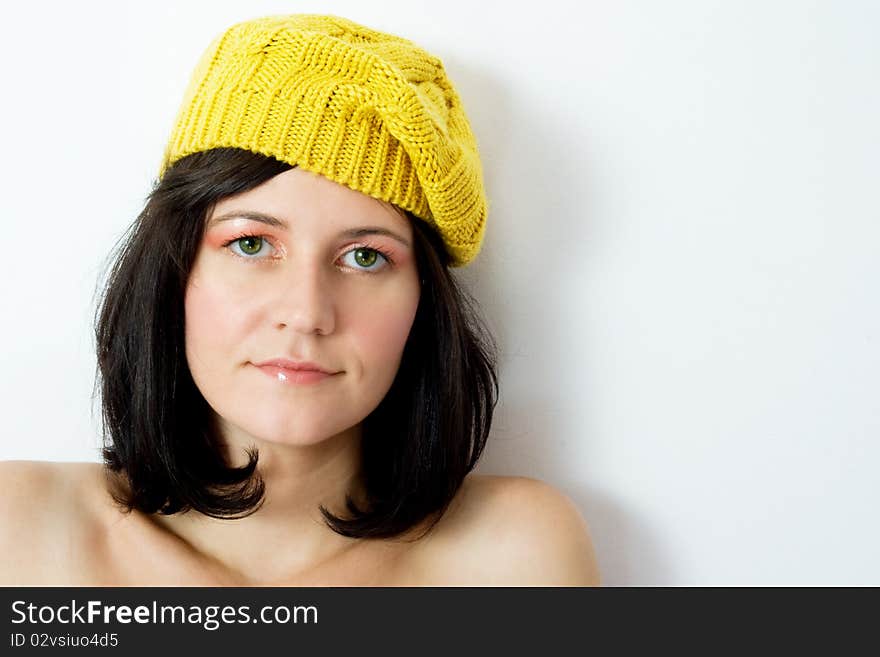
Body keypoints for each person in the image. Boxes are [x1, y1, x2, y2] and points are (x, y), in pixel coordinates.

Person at [0, 14, 599, 586]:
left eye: (365, 256)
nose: (308, 313)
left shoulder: (517, 556)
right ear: (170, 273)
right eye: (252, 243)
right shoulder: (19, 531)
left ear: (424, 305)